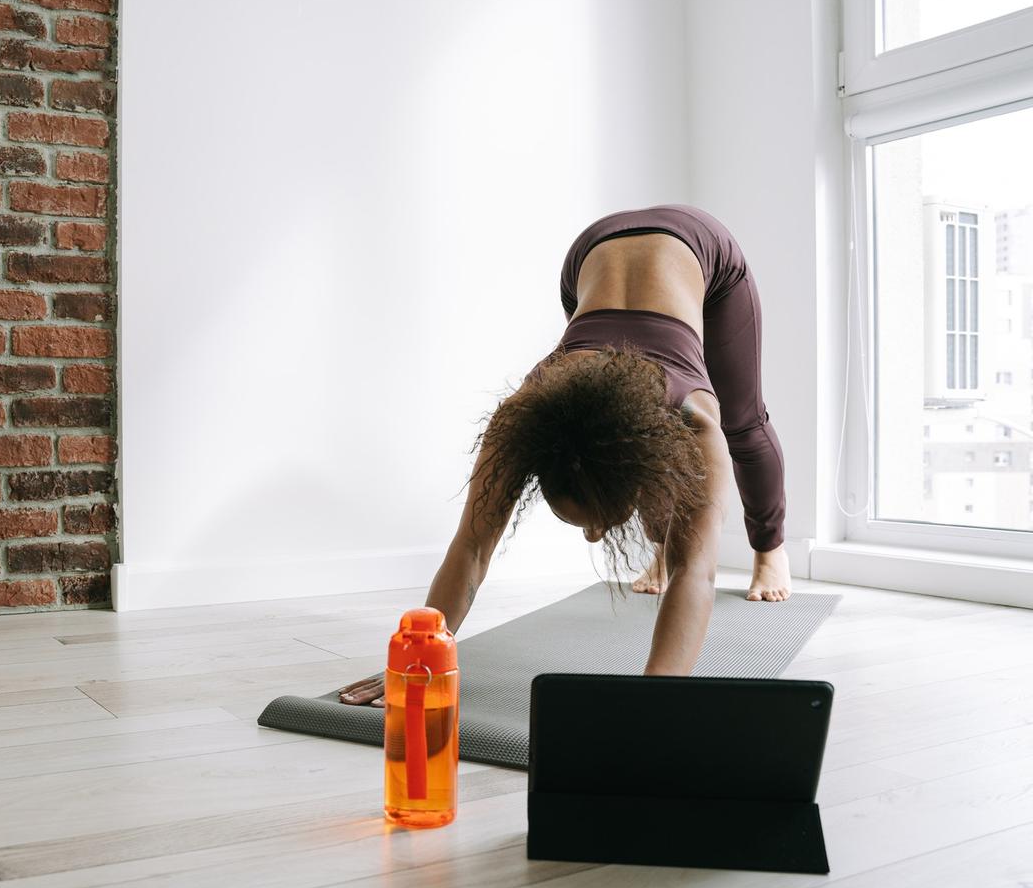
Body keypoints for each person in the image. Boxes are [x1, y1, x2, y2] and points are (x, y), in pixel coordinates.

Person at [339, 204, 791, 707]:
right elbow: (471, 545)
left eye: (594, 524)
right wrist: (418, 662)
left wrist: (655, 702)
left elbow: (698, 571)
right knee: (611, 431)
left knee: (745, 423)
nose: (596, 536)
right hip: (589, 256)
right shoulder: (523, 414)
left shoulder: (694, 418)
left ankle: (771, 551)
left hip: (701, 247)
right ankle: (662, 546)